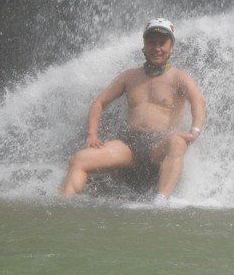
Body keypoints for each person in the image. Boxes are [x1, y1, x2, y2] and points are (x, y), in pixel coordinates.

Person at [61, 19, 206, 204]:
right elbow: (99, 102)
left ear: (171, 47)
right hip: (128, 145)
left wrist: (194, 131)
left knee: (178, 142)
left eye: (162, 43)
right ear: (144, 45)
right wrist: (92, 134)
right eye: (151, 42)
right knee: (79, 160)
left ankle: (160, 202)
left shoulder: (180, 77)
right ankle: (63, 205)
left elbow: (198, 102)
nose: (157, 48)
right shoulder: (129, 77)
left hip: (159, 145)